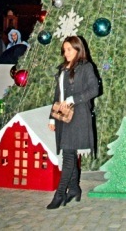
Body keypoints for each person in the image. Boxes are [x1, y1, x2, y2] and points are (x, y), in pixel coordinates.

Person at [46, 35, 99, 210]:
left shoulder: (86, 67)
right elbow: (57, 95)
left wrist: (73, 99)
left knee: (68, 156)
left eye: (69, 49)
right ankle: (75, 189)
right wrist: (52, 117)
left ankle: (59, 194)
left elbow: (94, 89)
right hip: (63, 116)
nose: (66, 52)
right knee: (69, 153)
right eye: (64, 49)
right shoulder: (62, 68)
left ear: (78, 49)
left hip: (78, 116)